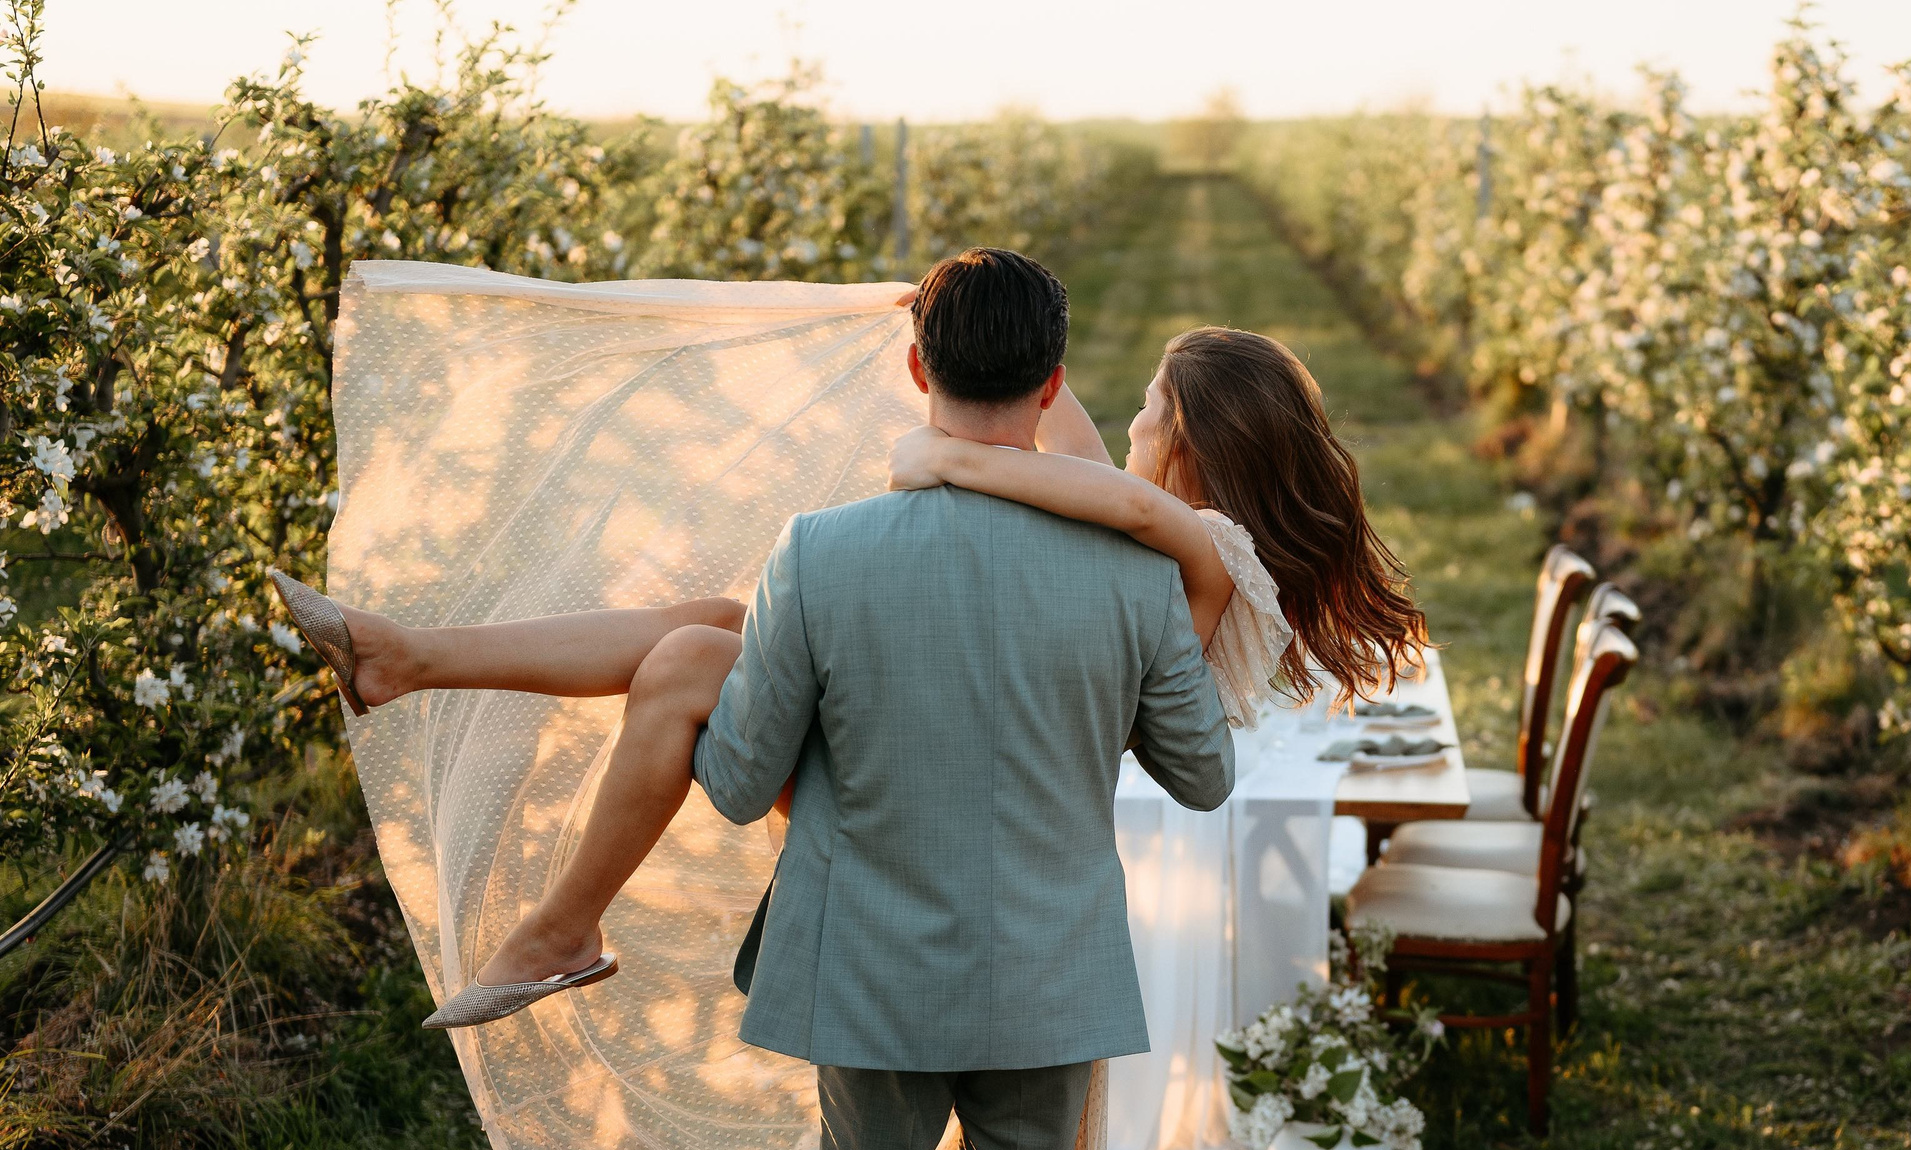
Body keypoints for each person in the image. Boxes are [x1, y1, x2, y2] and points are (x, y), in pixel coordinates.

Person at [268, 307, 1427, 1031]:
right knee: (717, 616)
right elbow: (1053, 423)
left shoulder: (1201, 550)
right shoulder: (1154, 526)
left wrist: (937, 450)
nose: (1125, 424)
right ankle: (407, 657)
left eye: (1147, 409)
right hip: (961, 742)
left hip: (952, 772)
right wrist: (962, 314)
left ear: (1191, 443)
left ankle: (564, 926)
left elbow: (1069, 477)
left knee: (687, 661)